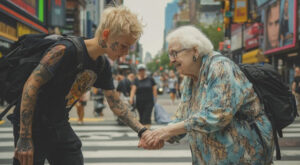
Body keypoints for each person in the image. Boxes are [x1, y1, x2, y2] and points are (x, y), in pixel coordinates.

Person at [12, 6, 152, 165]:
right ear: (106, 35)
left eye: (129, 47)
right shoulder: (65, 50)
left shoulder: (101, 65)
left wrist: (142, 130)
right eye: (123, 46)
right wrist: (24, 137)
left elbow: (115, 103)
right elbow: (31, 86)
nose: (126, 52)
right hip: (32, 125)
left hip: (59, 123)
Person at [140, 25, 274, 164]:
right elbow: (182, 118)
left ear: (195, 51)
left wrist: (167, 131)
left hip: (243, 157)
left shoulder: (220, 67)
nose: (171, 60)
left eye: (175, 53)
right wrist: (162, 137)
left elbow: (218, 115)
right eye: (170, 55)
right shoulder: (189, 79)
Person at [130, 64, 157, 129]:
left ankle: (147, 133)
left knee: (147, 117)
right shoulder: (136, 80)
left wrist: (155, 98)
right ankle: (143, 133)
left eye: (143, 70)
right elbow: (133, 90)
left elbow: (154, 88)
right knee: (141, 118)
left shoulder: (150, 79)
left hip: (149, 102)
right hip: (139, 102)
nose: (141, 72)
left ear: (145, 71)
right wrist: (131, 98)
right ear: (138, 71)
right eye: (140, 70)